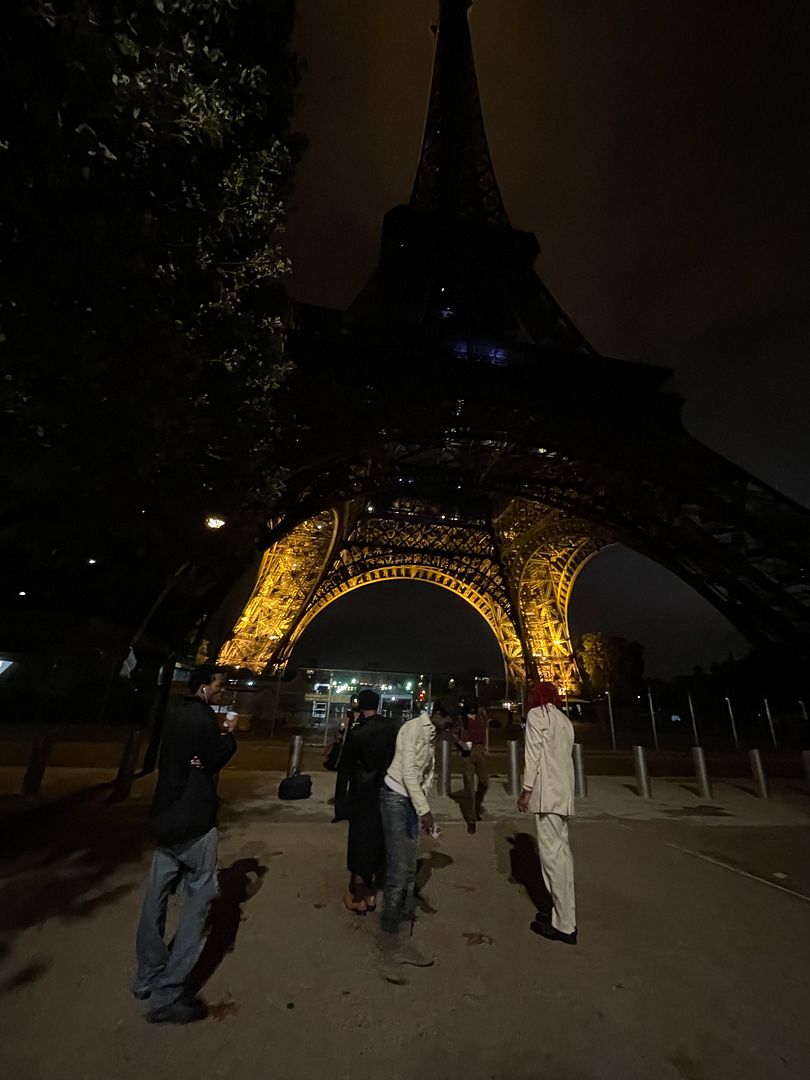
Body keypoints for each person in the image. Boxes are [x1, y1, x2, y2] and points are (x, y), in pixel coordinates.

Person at [132, 665, 238, 1023]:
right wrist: (228, 735)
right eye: (220, 685)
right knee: (200, 900)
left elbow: (184, 760)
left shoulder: (174, 716)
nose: (223, 691)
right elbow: (214, 759)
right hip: (193, 820)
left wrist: (197, 761)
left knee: (156, 894)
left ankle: (146, 975)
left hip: (165, 818)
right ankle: (168, 993)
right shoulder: (205, 720)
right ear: (204, 687)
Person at [377, 699, 452, 980]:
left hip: (408, 802)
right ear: (438, 714)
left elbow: (423, 777)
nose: (450, 730)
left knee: (408, 870)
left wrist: (422, 809)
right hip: (396, 799)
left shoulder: (430, 734)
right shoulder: (412, 729)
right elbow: (408, 772)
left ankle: (401, 938)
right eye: (449, 723)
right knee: (401, 870)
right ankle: (389, 947)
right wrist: (425, 811)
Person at [517, 680, 577, 945]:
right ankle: (561, 915)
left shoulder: (536, 715)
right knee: (562, 855)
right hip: (562, 796)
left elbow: (533, 754)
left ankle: (564, 926)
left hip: (547, 796)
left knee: (552, 859)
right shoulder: (564, 720)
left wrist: (526, 790)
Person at [334, 689, 399, 914]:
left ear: (359, 705)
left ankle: (358, 896)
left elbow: (345, 767)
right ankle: (371, 894)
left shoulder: (357, 732)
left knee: (360, 841)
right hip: (385, 788)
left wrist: (340, 803)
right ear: (379, 705)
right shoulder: (392, 727)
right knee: (377, 838)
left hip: (362, 792)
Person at [454, 696, 489, 834]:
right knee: (469, 786)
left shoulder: (481, 715)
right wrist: (462, 745)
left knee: (484, 783)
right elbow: (455, 734)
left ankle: (476, 806)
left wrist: (487, 746)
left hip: (479, 750)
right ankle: (472, 819)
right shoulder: (461, 719)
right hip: (466, 753)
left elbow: (486, 730)